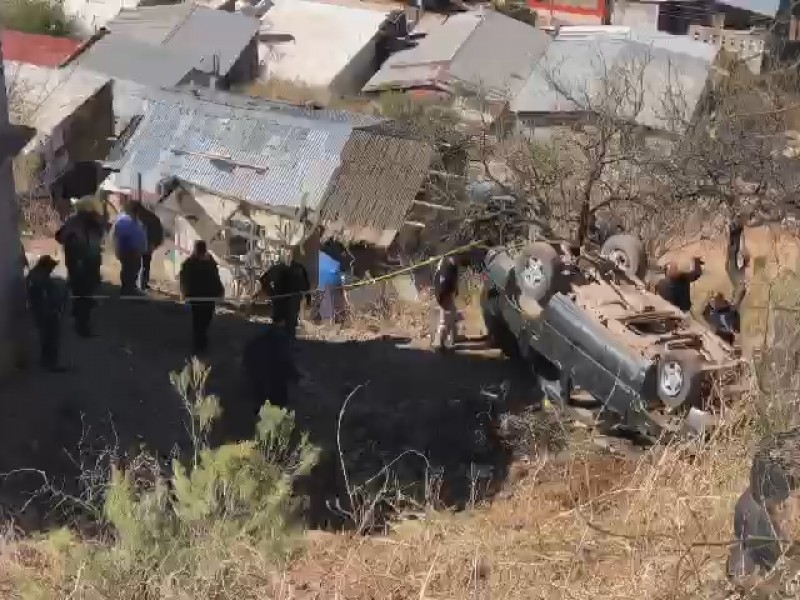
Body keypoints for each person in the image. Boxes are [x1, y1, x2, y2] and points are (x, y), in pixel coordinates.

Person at [56, 198, 104, 337]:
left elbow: (60, 237)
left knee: (82, 292)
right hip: (84, 262)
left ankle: (79, 316)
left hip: (82, 263)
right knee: (84, 293)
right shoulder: (89, 222)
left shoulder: (76, 221)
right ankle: (82, 326)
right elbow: (61, 237)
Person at [242, 317, 301, 415]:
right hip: (273, 382)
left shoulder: (256, 343)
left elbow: (247, 360)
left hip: (260, 378)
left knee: (261, 393)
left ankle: (262, 408)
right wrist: (295, 376)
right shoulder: (280, 345)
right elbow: (286, 364)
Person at [179, 240, 224, 355]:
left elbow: (216, 278)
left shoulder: (210, 263)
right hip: (196, 297)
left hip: (208, 297)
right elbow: (184, 280)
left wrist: (220, 292)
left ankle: (201, 341)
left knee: (206, 320)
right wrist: (185, 293)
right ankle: (199, 344)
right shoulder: (189, 264)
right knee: (198, 321)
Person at [25, 255, 69, 372]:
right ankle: (51, 364)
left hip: (40, 311)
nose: (52, 270)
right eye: (50, 267)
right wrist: (53, 310)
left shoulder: (34, 276)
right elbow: (44, 298)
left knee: (45, 337)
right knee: (51, 337)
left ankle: (45, 361)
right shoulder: (40, 279)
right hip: (46, 312)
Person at [112, 201, 147, 295]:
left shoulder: (137, 221)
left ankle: (129, 287)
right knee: (129, 269)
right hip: (128, 250)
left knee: (134, 268)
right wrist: (118, 249)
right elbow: (117, 235)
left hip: (134, 250)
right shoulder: (124, 220)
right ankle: (127, 288)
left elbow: (140, 236)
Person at [433, 253, 460, 352]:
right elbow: (442, 281)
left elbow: (453, 280)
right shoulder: (447, 266)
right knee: (445, 318)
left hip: (444, 292)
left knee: (450, 315)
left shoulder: (448, 265)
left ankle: (449, 340)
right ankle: (440, 342)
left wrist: (456, 289)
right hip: (444, 292)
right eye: (456, 258)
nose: (457, 260)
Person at [134, 203, 164, 291]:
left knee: (141, 265)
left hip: (146, 245)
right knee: (145, 265)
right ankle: (143, 284)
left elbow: (146, 232)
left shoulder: (143, 218)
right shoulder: (149, 216)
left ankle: (141, 285)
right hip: (148, 245)